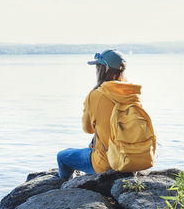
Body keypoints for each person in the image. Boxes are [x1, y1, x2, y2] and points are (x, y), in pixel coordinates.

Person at [56, 49, 144, 179]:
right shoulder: (131, 94)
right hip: (131, 160)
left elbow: (88, 129)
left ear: (105, 69)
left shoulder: (96, 95)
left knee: (62, 156)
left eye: (98, 66)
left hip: (108, 163)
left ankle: (65, 186)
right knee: (93, 142)